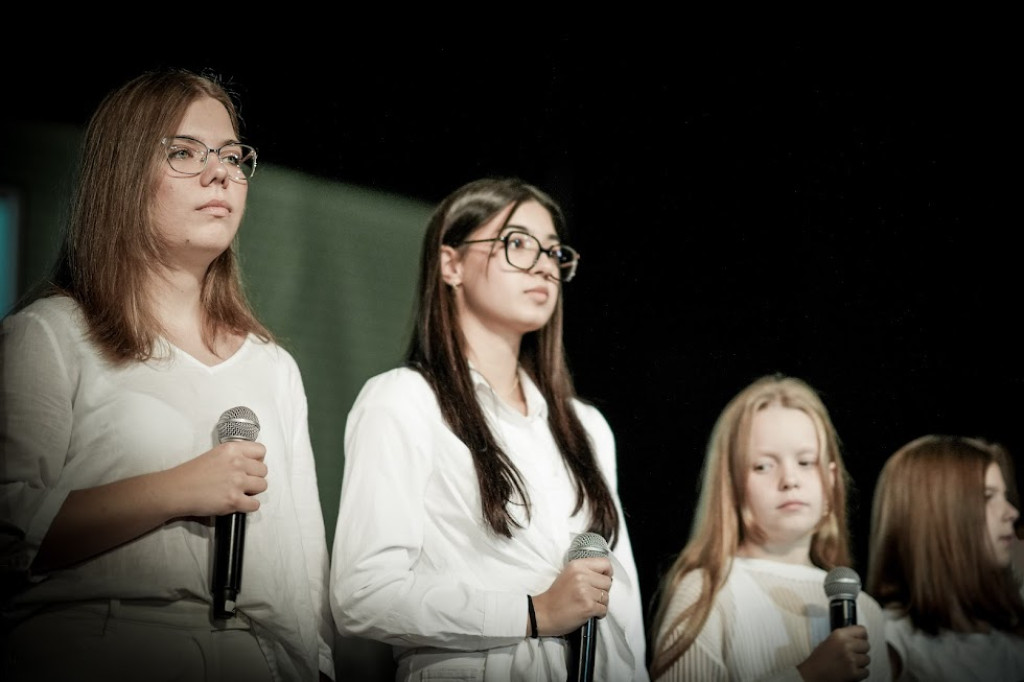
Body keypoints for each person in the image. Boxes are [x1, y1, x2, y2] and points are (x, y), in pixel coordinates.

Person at [0, 67, 334, 681]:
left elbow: (307, 576)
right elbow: (9, 531)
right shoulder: (49, 335)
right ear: (123, 177)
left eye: (233, 157)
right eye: (185, 152)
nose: (221, 173)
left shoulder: (274, 367)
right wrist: (181, 488)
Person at [329, 177, 649, 681]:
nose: (544, 264)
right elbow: (362, 595)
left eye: (553, 252)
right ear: (451, 264)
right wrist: (533, 612)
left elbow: (623, 608)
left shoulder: (587, 427)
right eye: (517, 244)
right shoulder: (404, 400)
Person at [648, 374, 890, 682]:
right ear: (732, 486)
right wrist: (807, 676)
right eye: (763, 465)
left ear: (831, 481)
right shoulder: (706, 591)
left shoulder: (864, 610)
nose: (790, 479)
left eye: (806, 462)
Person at [866, 434, 1024, 682]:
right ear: (939, 515)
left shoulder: (1010, 633)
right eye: (987, 496)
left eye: (1005, 496)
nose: (1012, 512)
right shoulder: (891, 642)